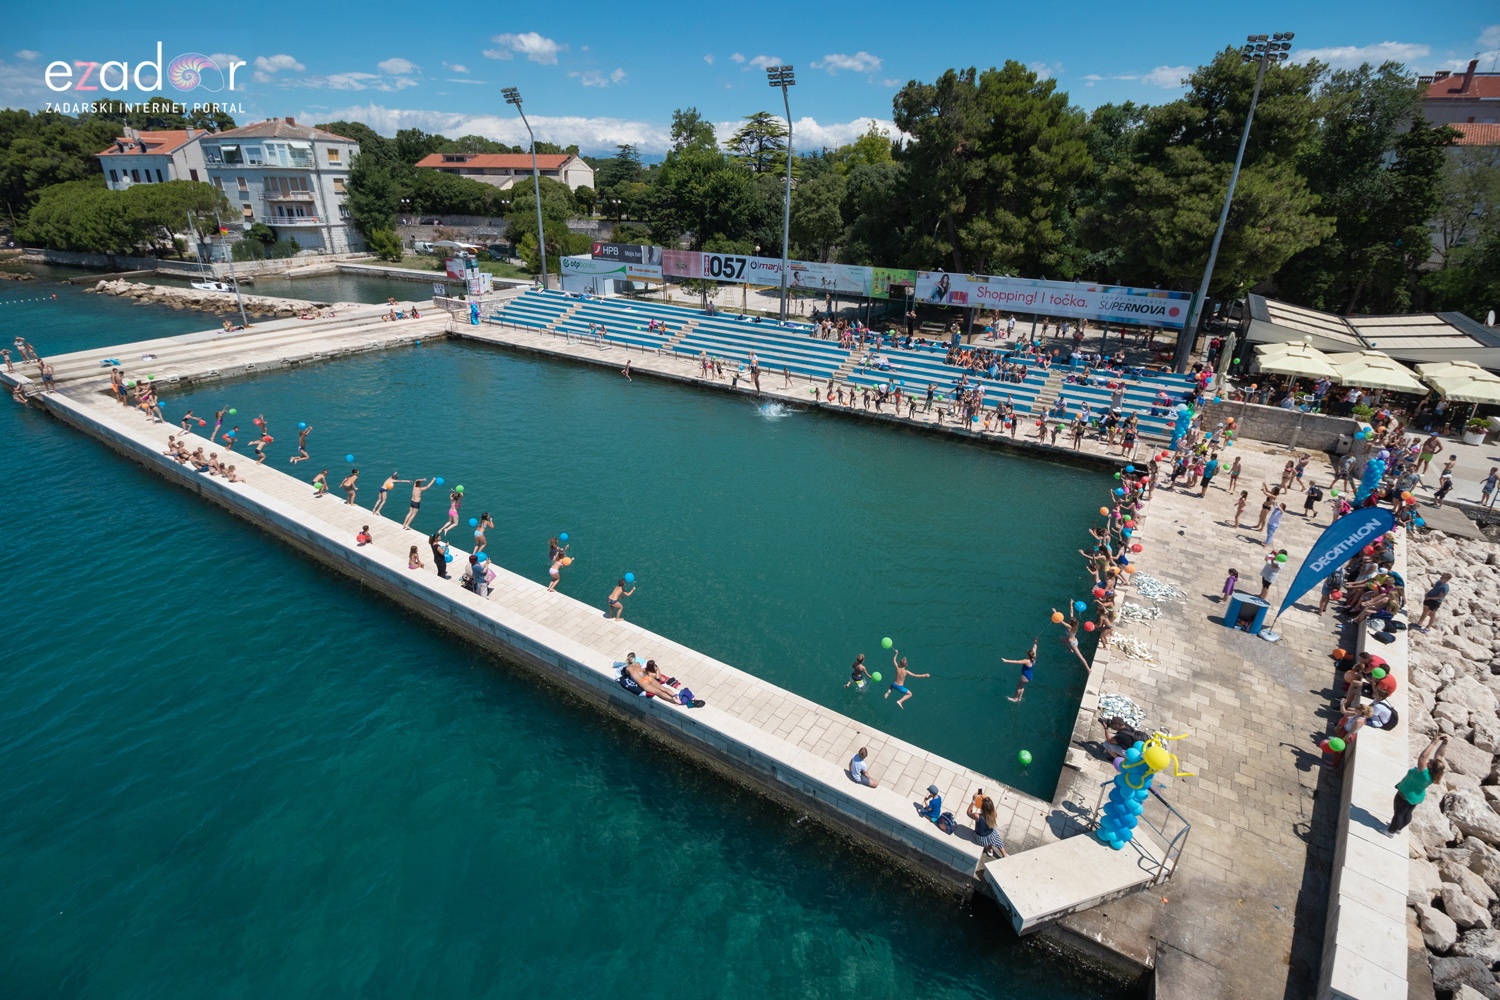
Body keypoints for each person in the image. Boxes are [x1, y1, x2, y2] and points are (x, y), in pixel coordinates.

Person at [1388, 735, 1449, 834]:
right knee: (1407, 814)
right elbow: (1440, 756)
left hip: (1405, 795)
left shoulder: (1423, 773)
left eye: (1431, 762)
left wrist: (1433, 743)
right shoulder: (1433, 775)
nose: (1430, 760)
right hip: (1417, 797)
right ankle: (1399, 829)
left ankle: (1391, 831)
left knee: (1398, 814)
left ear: (1431, 767)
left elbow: (1423, 757)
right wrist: (1444, 743)